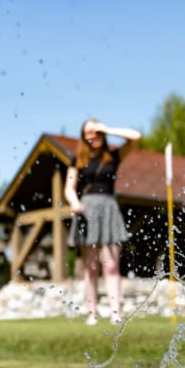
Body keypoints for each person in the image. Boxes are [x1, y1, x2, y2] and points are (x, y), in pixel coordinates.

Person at [65, 119, 142, 325]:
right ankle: (92, 313)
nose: (93, 136)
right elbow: (69, 187)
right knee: (91, 267)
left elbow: (136, 137)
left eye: (96, 132)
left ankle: (115, 312)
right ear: (83, 137)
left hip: (109, 209)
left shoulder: (114, 156)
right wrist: (74, 202)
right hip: (86, 210)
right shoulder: (77, 160)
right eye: (88, 133)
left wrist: (106, 128)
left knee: (111, 266)